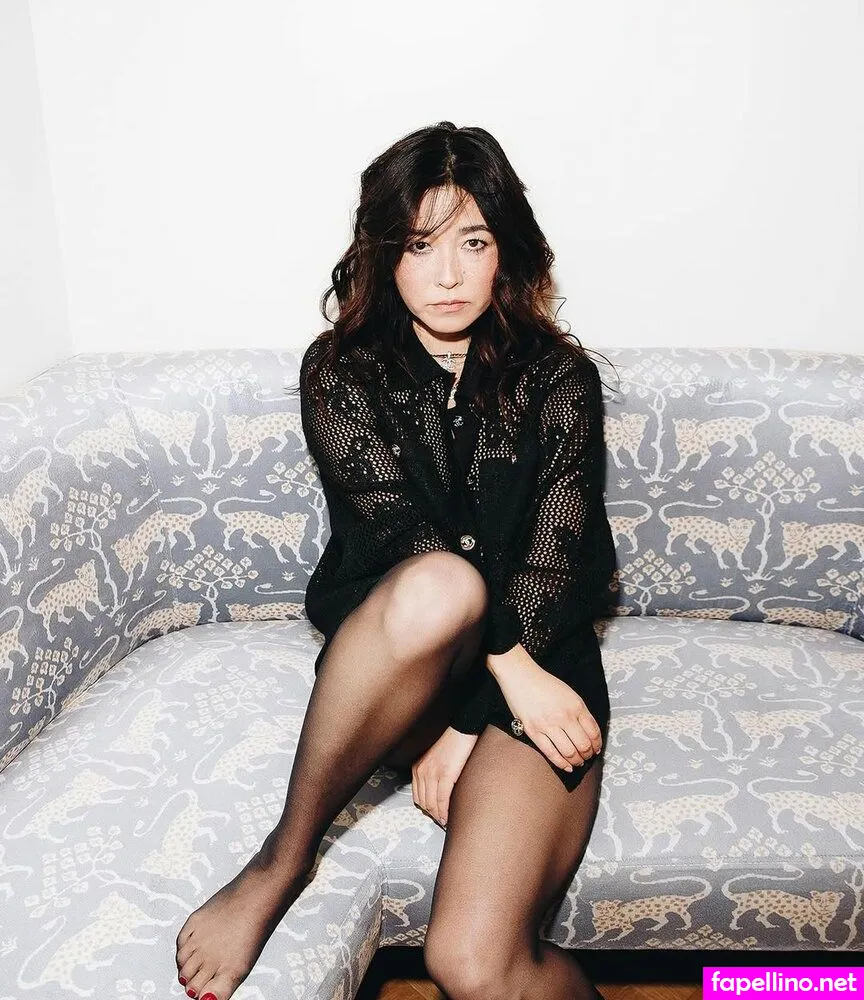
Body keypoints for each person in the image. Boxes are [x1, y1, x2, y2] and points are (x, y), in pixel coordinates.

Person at [174, 121, 618, 1000]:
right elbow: (407, 539)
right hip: (402, 652)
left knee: (471, 965)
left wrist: (471, 724)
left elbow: (554, 564)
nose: (448, 274)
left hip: (536, 661)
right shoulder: (343, 371)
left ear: (507, 251)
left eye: (473, 243)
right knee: (442, 581)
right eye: (420, 245)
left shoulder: (560, 380)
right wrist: (492, 681)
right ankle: (281, 859)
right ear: (385, 254)